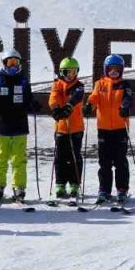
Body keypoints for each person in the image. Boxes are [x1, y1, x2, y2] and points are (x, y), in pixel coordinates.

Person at [0, 49, 33, 206]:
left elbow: (29, 100)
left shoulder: (23, 81)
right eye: (10, 63)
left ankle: (19, 187)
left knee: (19, 159)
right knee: (1, 158)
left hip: (19, 126)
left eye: (15, 63)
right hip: (2, 127)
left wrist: (32, 105)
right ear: (4, 63)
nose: (12, 66)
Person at [85, 54, 134, 205]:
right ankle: (104, 190)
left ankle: (122, 189)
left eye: (117, 69)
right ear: (106, 70)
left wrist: (125, 107)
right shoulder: (99, 84)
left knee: (120, 160)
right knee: (104, 161)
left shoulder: (124, 85)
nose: (113, 72)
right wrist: (89, 106)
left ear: (121, 70)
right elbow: (94, 97)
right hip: (104, 128)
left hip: (120, 128)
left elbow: (128, 98)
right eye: (111, 69)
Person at [49, 57, 86, 201]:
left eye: (73, 72)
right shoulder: (57, 84)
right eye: (67, 72)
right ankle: (60, 184)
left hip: (76, 127)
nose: (70, 75)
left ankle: (75, 184)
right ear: (61, 72)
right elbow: (54, 97)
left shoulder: (79, 86)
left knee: (74, 156)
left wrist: (68, 107)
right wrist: (55, 109)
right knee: (60, 157)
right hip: (61, 128)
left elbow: (76, 97)